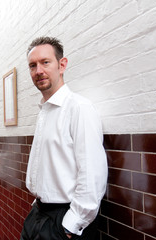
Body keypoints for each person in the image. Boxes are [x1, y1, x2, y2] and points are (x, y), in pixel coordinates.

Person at [20, 36, 108, 240]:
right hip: (39, 215)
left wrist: (69, 227)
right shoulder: (44, 112)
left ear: (62, 65)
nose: (38, 71)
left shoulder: (79, 108)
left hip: (64, 222)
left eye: (45, 62)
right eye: (32, 66)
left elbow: (92, 174)